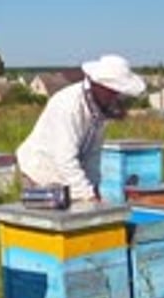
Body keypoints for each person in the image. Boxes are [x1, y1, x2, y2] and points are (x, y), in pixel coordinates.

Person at [16, 54, 146, 202]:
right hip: (40, 174)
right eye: (113, 93)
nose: (116, 99)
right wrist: (88, 196)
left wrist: (94, 187)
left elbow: (93, 153)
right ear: (99, 86)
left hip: (66, 177)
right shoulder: (69, 106)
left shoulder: (99, 111)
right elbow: (65, 159)